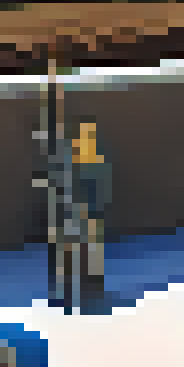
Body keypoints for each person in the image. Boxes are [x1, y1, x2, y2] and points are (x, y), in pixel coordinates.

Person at [53, 120, 111, 313]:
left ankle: (92, 293)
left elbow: (103, 193)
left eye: (89, 135)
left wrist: (93, 214)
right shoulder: (70, 164)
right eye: (82, 135)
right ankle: (66, 296)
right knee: (68, 255)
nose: (84, 139)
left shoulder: (98, 164)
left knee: (92, 256)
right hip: (72, 217)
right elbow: (64, 191)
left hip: (91, 217)